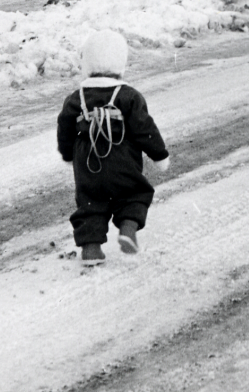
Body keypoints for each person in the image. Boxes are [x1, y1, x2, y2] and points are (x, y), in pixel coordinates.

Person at [57, 29, 170, 261]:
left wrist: (68, 153)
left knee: (90, 203)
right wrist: (159, 155)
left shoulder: (75, 98)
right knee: (134, 194)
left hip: (88, 165)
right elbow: (144, 129)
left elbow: (65, 127)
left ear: (86, 63)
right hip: (123, 163)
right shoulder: (128, 96)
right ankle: (128, 229)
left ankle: (91, 249)